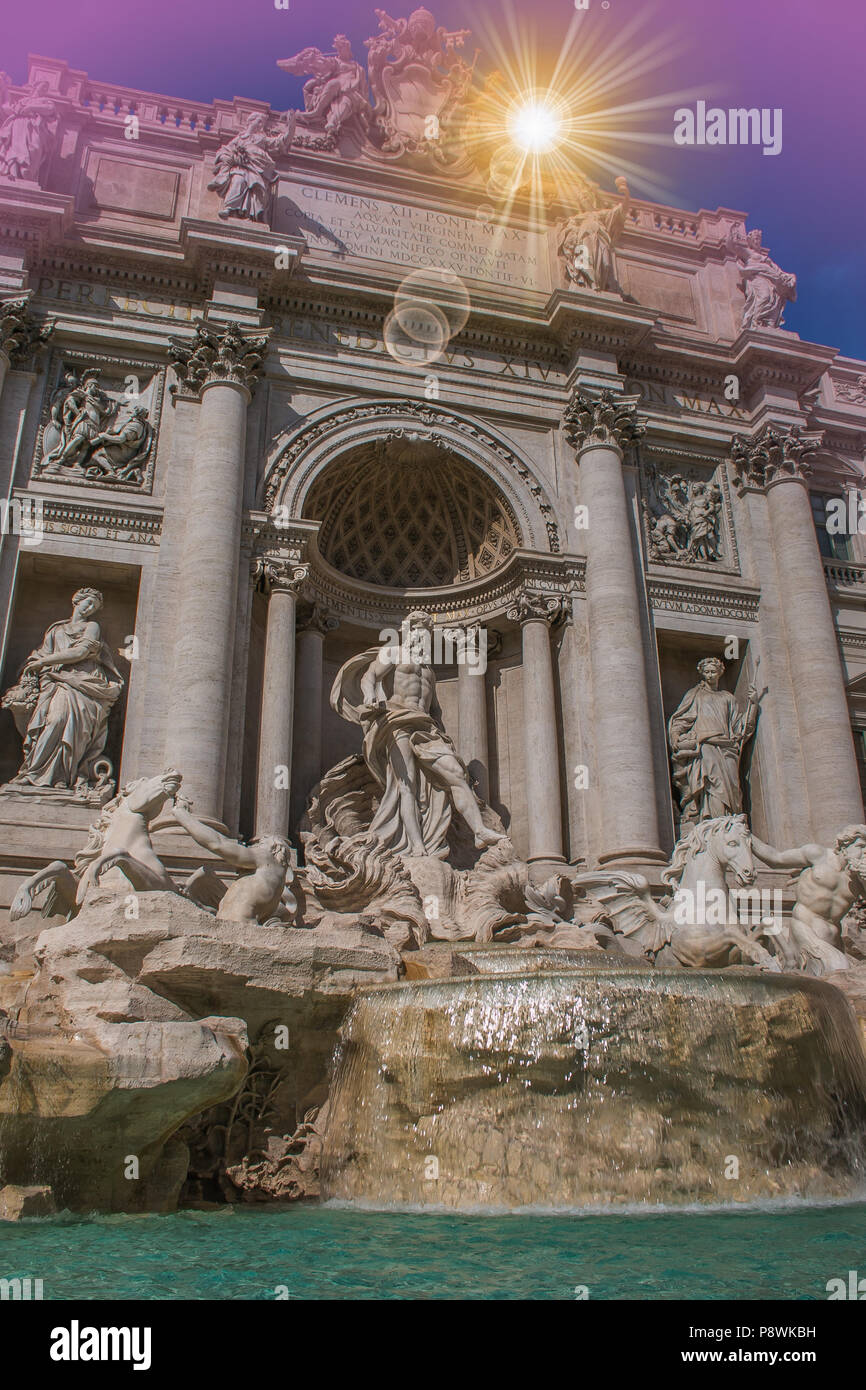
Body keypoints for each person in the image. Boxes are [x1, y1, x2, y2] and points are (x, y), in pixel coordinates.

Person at [331, 610, 504, 858]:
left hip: (426, 727)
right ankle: (417, 846)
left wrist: (444, 740)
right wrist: (371, 695)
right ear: (409, 632)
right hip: (398, 721)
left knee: (455, 774)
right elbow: (370, 675)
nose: (423, 638)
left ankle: (479, 831)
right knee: (406, 784)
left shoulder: (429, 673)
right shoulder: (394, 653)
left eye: (426, 634)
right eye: (419, 632)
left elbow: (435, 710)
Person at [6, 588, 124, 790]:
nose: (90, 608)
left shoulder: (92, 626)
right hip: (55, 681)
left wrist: (44, 661)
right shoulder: (56, 630)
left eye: (94, 606)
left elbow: (81, 651)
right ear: (76, 601)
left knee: (67, 725)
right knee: (51, 721)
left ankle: (62, 776)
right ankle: (34, 772)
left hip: (83, 683)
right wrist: (35, 663)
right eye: (87, 603)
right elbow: (41, 653)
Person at [751, 825, 866, 976]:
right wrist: (746, 834)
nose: (864, 853)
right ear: (845, 845)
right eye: (861, 846)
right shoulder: (819, 855)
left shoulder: (858, 879)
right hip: (805, 928)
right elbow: (776, 858)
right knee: (838, 969)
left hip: (834, 940)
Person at [170, 801, 295, 926]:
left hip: (237, 927)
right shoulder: (274, 884)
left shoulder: (267, 857)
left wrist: (182, 814)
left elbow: (218, 843)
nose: (255, 849)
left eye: (261, 844)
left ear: (276, 849)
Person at [668, 656, 758, 824]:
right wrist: (675, 735)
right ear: (702, 673)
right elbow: (681, 720)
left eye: (713, 672)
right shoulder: (695, 695)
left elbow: (740, 728)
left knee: (732, 788)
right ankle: (713, 823)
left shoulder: (728, 698)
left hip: (727, 749)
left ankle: (730, 822)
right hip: (705, 747)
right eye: (707, 672)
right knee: (713, 785)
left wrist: (752, 705)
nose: (710, 675)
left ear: (720, 673)